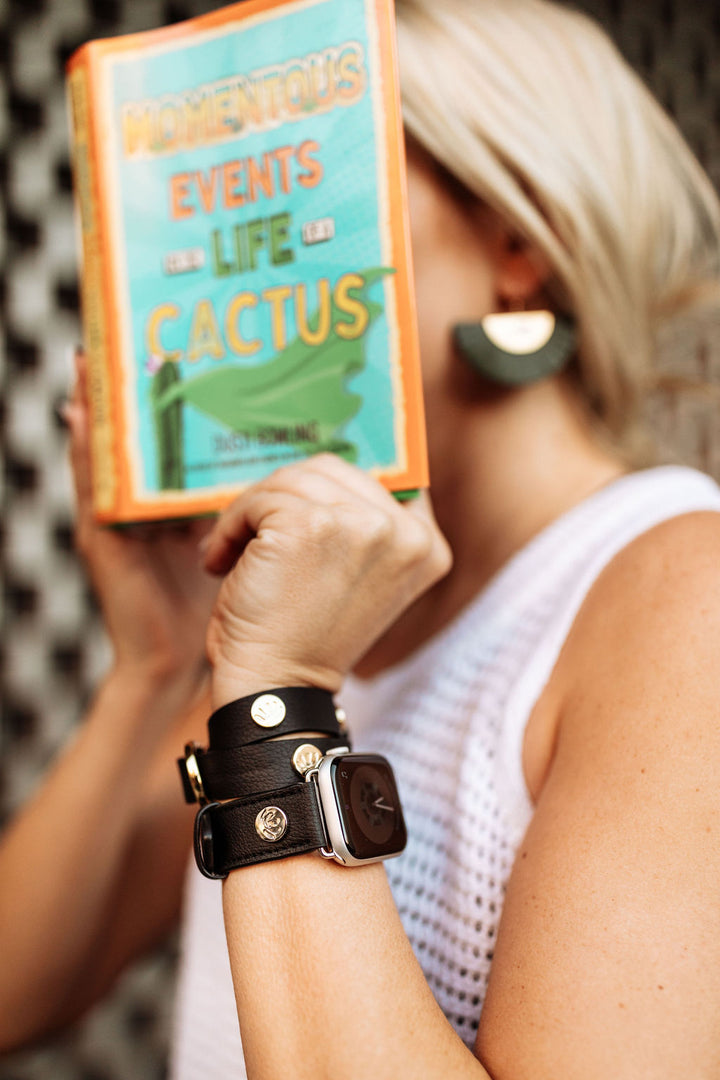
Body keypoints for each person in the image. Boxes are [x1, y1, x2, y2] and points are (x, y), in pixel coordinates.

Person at [2, 0, 720, 1076]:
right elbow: (19, 993)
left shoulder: (682, 594)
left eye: (311, 182)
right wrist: (156, 666)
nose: (234, 267)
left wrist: (280, 696)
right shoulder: (314, 608)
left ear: (518, 241)